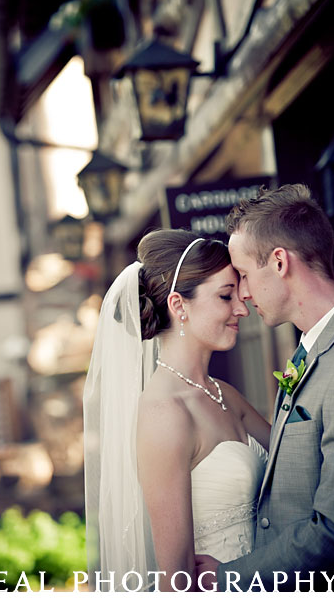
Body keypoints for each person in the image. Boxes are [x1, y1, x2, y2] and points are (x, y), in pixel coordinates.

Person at [83, 229, 271, 591]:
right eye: (225, 296)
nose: (242, 308)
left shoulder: (224, 393)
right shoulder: (164, 413)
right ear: (178, 305)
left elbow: (293, 465)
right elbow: (176, 580)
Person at [196, 183, 334, 592]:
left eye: (245, 275)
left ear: (280, 262)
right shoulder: (310, 348)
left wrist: (229, 577)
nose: (244, 296)